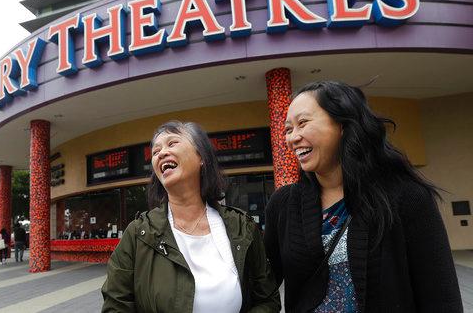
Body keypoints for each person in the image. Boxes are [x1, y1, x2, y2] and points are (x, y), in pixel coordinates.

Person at [264, 81, 463, 312]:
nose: (292, 138)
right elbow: (262, 286)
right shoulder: (283, 204)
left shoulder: (407, 197)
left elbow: (442, 298)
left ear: (343, 125)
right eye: (288, 129)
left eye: (303, 123)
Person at [102, 121, 280, 312]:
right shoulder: (138, 234)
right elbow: (115, 306)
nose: (161, 153)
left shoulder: (242, 227)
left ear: (201, 156)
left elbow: (268, 300)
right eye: (155, 152)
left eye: (172, 143)